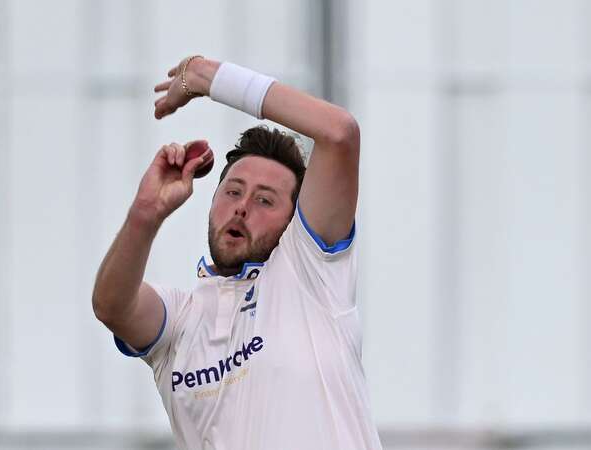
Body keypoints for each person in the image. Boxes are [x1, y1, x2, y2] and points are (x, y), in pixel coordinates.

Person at [92, 55, 382, 450]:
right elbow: (113, 306)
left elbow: (339, 133)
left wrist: (208, 78)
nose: (242, 206)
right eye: (232, 191)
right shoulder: (182, 320)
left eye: (265, 200)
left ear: (293, 222)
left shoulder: (309, 270)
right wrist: (145, 214)